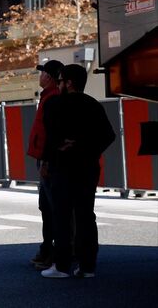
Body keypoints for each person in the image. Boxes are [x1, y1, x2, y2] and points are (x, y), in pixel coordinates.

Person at [41, 64, 115, 279]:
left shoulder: (54, 104)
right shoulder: (92, 105)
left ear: (69, 82)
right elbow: (108, 135)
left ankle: (62, 265)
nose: (59, 83)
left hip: (62, 166)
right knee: (85, 215)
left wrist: (53, 154)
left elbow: (50, 134)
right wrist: (85, 147)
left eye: (61, 80)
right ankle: (87, 266)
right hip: (87, 166)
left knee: (62, 216)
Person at [28, 59, 64, 270]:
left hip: (49, 160)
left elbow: (51, 134)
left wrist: (47, 161)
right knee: (47, 207)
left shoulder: (52, 99)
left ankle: (54, 253)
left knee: (52, 208)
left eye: (42, 73)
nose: (39, 76)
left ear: (49, 77)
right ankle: (48, 249)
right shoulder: (48, 97)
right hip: (45, 158)